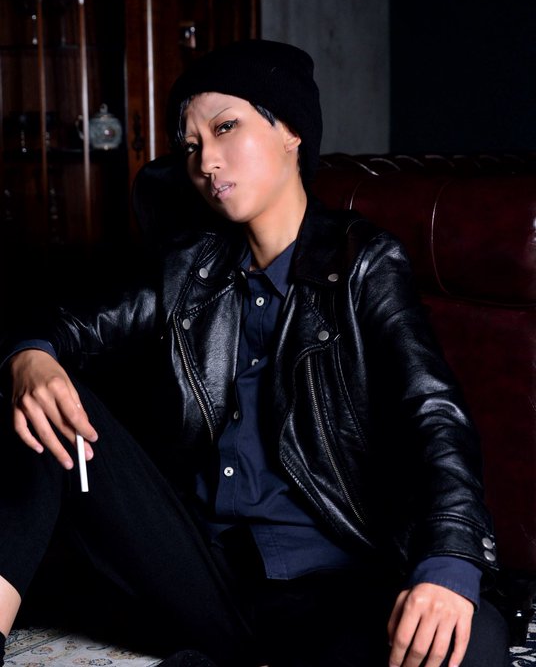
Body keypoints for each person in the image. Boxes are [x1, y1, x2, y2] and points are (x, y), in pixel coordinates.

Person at [0, 39, 511, 667]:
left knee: (470, 641)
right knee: (39, 404)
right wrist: (31, 357)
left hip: (332, 587)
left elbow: (434, 413)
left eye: (225, 128)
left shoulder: (363, 263)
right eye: (190, 146)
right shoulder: (192, 267)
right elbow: (66, 323)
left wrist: (449, 561)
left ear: (291, 131)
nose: (205, 161)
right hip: (204, 579)